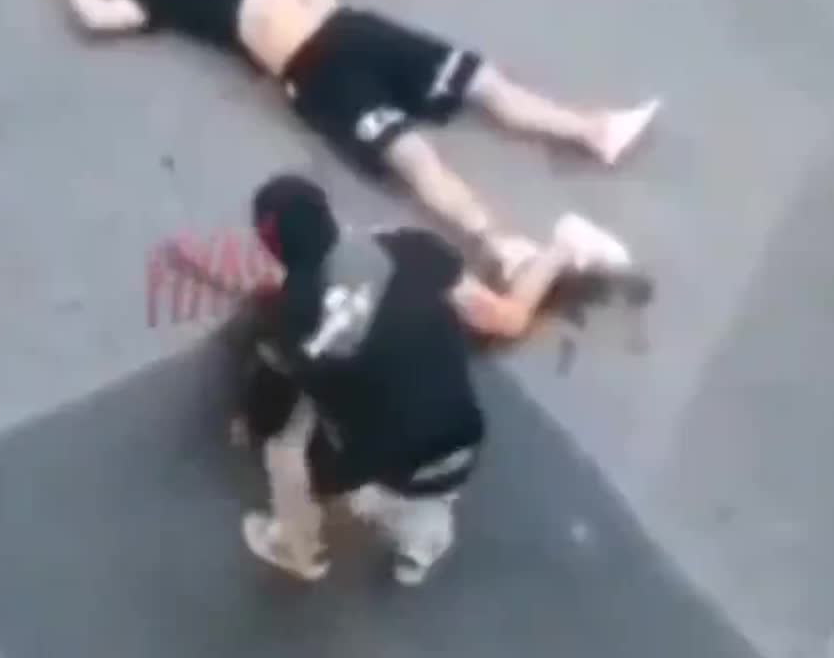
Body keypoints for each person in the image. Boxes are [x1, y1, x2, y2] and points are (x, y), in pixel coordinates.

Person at [44, 0, 660, 274]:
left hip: (357, 29)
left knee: (485, 82)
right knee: (414, 158)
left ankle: (593, 131)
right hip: (314, 71)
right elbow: (100, 16)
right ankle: (502, 244)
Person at [233, 174, 634, 586]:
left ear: (272, 246)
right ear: (328, 215)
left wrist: (260, 417)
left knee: (286, 442)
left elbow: (268, 414)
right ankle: (418, 551)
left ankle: (298, 547)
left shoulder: (286, 324)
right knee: (424, 500)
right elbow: (504, 320)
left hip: (382, 469)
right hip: (461, 440)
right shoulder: (410, 247)